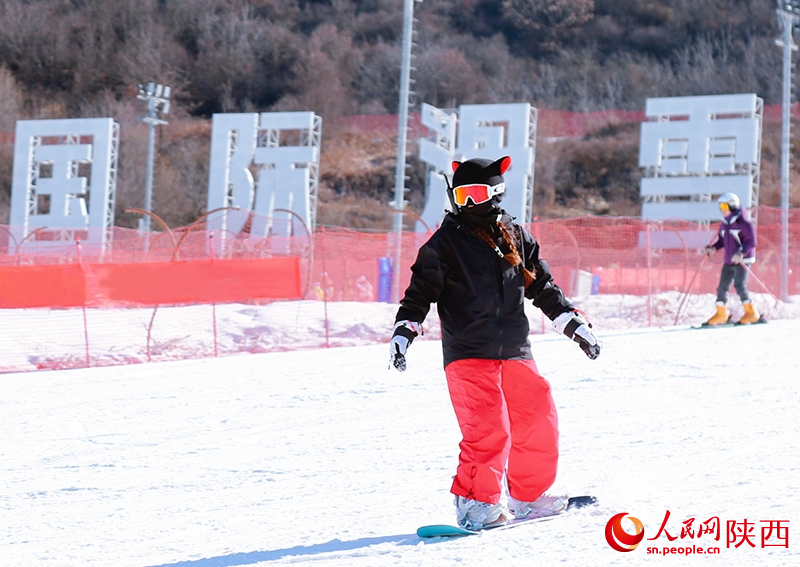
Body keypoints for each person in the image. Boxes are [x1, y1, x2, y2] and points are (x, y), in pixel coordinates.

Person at [388, 156, 601, 530]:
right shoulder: (445, 243)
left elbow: (542, 287)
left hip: (515, 349)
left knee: (537, 419)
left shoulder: (515, 236)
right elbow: (419, 292)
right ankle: (475, 504)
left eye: (477, 194)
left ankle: (529, 497)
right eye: (462, 194)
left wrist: (571, 322)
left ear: (496, 193)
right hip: (469, 351)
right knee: (488, 428)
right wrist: (405, 329)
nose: (468, 203)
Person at [703, 192, 760, 325]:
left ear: (733, 206)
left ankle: (752, 312)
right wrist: (713, 248)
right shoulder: (725, 224)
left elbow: (751, 241)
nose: (722, 210)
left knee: (739, 285)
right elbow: (722, 240)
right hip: (729, 259)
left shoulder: (744, 223)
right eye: (720, 207)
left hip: (743, 260)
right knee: (722, 286)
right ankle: (721, 313)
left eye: (724, 206)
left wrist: (741, 253)